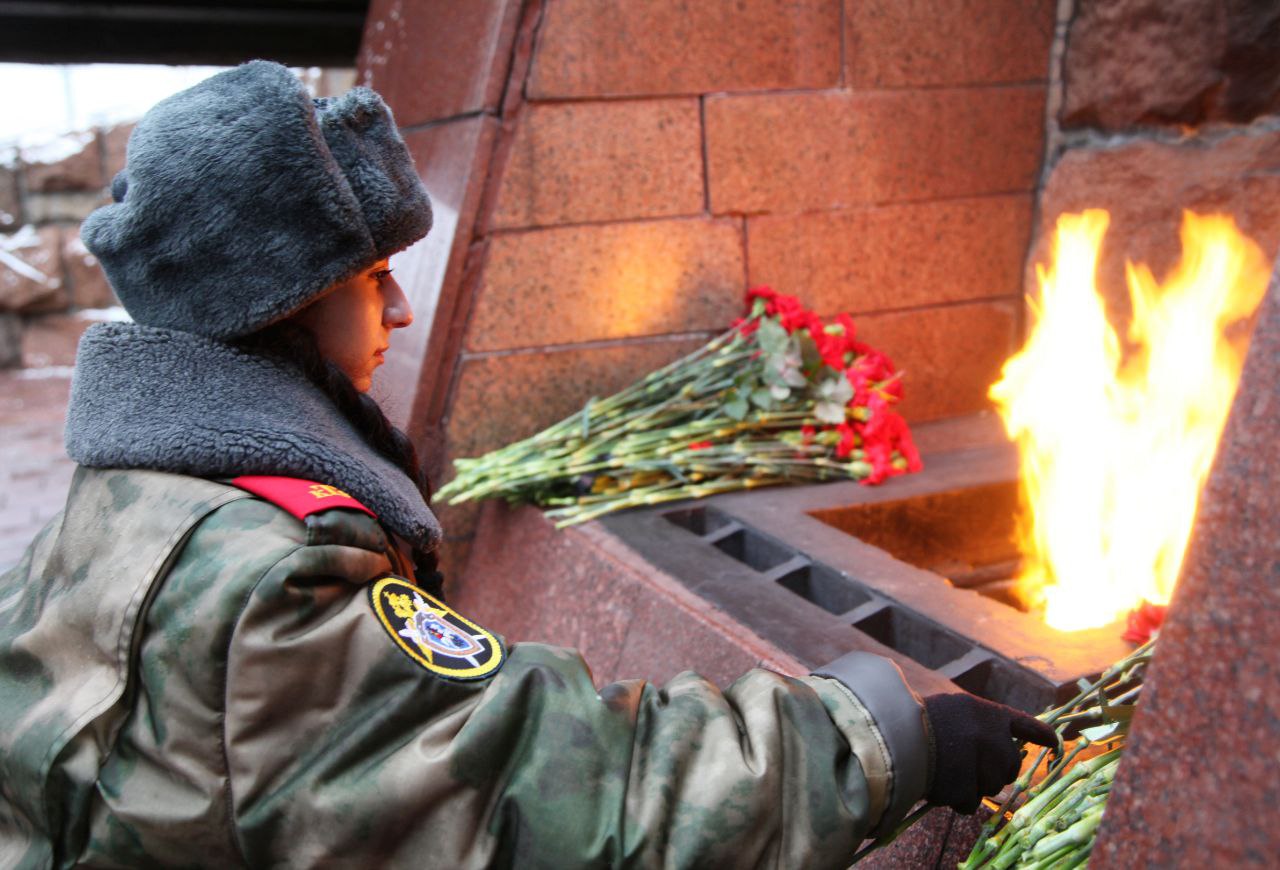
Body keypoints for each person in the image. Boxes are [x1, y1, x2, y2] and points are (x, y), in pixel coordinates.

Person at [0, 61, 1055, 868]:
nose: (400, 309)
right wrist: (876, 741)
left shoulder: (127, 494)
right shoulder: (280, 575)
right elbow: (541, 788)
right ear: (277, 306)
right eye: (373, 277)